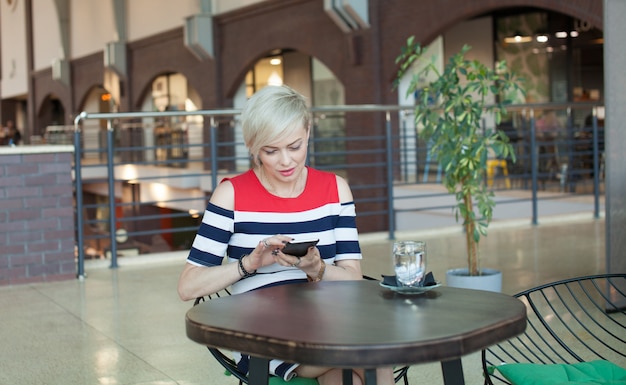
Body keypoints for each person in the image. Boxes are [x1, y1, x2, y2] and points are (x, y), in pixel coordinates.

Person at [177, 85, 393, 385]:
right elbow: (188, 287)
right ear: (253, 147)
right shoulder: (231, 195)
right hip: (264, 333)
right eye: (271, 150)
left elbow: (353, 279)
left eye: (295, 146)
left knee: (349, 376)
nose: (286, 161)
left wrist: (317, 269)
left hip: (330, 323)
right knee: (372, 355)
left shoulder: (336, 190)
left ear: (308, 132)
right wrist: (248, 264)